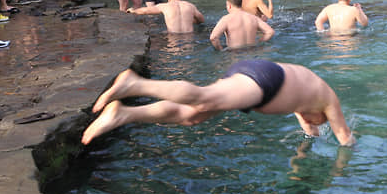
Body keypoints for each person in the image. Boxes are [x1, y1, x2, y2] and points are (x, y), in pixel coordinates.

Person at [81, 60, 356, 146]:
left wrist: (306, 152)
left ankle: (124, 114)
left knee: (191, 116)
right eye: (320, 122)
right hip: (265, 79)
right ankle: (135, 84)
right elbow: (344, 137)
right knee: (204, 97)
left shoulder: (309, 102)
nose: (314, 123)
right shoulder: (329, 99)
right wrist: (345, 173)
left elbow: (311, 132)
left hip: (263, 79)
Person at [209, 0, 275, 50]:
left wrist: (221, 50)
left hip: (234, 54)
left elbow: (213, 38)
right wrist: (259, 42)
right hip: (252, 52)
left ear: (229, 6)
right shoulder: (254, 18)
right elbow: (270, 32)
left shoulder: (226, 19)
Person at [128, 0, 204, 33]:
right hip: (189, 36)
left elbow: (145, 11)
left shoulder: (164, 6)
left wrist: (133, 11)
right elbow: (201, 20)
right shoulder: (190, 6)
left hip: (174, 37)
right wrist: (189, 20)